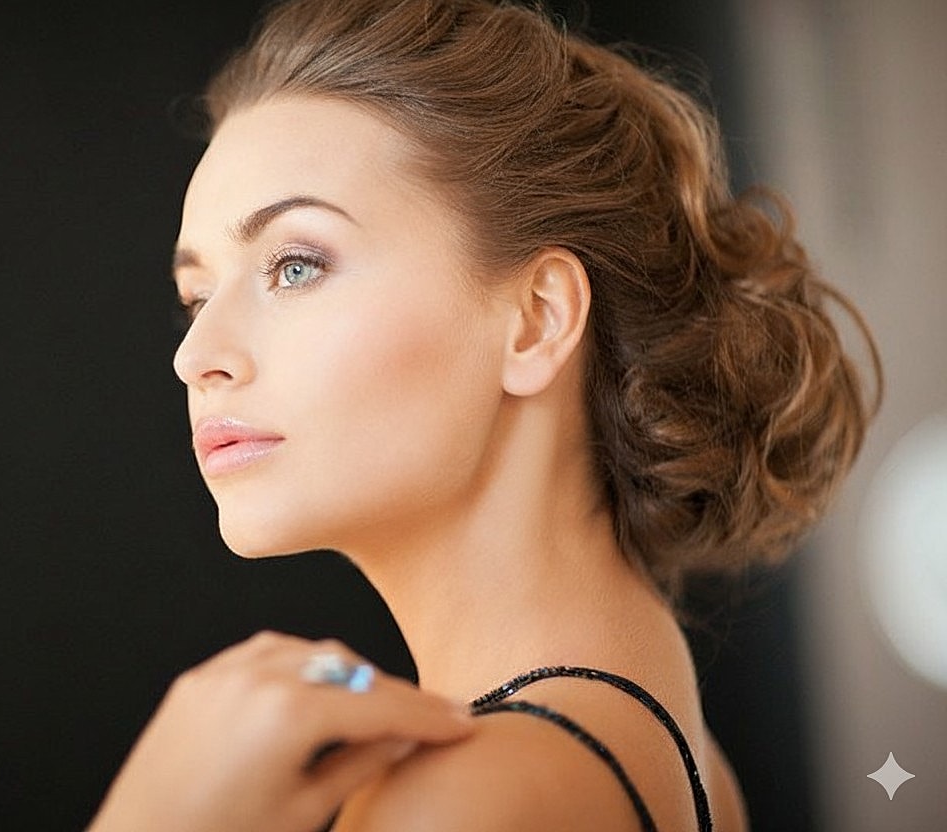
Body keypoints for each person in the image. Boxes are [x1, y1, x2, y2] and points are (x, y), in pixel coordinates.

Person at [88, 0, 880, 829]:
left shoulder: (463, 799)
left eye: (294, 266)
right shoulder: (678, 757)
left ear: (536, 318)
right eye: (196, 295)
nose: (196, 356)